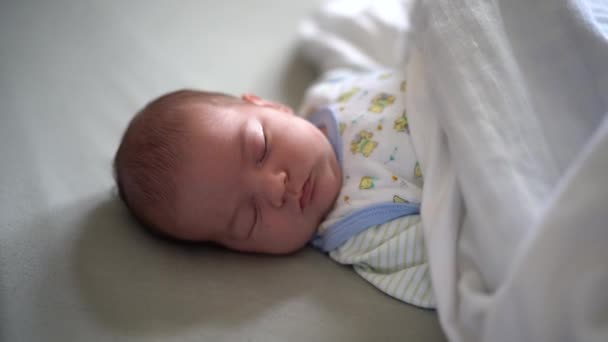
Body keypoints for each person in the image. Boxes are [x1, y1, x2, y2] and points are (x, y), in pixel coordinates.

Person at [114, 68, 434, 308]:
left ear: (269, 105)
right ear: (244, 251)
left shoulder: (332, 92)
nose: (275, 188)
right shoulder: (364, 235)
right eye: (249, 217)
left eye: (261, 147)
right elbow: (450, 270)